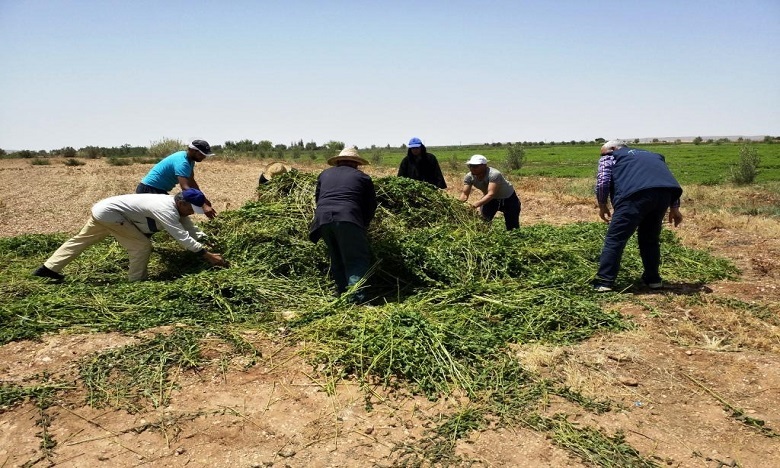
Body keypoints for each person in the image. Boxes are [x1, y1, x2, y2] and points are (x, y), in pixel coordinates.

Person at [32, 189, 226, 283]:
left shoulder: (175, 207)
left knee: (81, 240)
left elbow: (189, 229)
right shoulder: (166, 209)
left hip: (102, 209)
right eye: (193, 209)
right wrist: (208, 256)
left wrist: (206, 240)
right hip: (112, 216)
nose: (193, 213)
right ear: (183, 203)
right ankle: (136, 282)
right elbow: (181, 237)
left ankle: (48, 268)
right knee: (141, 246)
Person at [592, 140, 683, 292]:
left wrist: (602, 205)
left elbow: (603, 181)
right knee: (650, 239)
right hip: (663, 196)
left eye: (603, 153)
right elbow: (664, 180)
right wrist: (675, 207)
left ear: (614, 148)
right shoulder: (653, 156)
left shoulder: (611, 156)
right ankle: (653, 280)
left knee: (615, 239)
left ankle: (604, 282)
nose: (603, 157)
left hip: (634, 197)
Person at [309, 147, 377, 302]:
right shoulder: (363, 178)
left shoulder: (324, 174)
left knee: (337, 256)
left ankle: (341, 293)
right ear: (356, 164)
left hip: (322, 219)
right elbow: (371, 205)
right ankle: (355, 299)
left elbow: (319, 199)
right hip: (348, 218)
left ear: (338, 162)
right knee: (356, 258)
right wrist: (363, 225)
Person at [136, 140, 217, 219]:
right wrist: (203, 205)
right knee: (165, 217)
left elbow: (191, 182)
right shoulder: (183, 162)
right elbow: (185, 188)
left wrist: (203, 199)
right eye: (202, 154)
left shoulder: (189, 160)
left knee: (173, 215)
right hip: (149, 190)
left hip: (157, 189)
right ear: (193, 151)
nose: (204, 157)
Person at [459, 154, 521, 230]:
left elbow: (491, 194)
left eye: (475, 166)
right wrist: (458, 205)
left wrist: (474, 205)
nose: (472, 168)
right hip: (490, 200)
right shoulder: (469, 177)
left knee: (512, 227)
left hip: (508, 199)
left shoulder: (494, 174)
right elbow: (465, 194)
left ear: (484, 165)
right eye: (470, 166)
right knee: (483, 223)